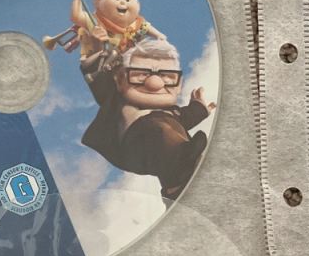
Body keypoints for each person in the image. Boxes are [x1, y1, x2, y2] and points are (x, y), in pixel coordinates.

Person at [81, 37, 214, 199]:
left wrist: (199, 108)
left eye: (167, 76)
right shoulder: (118, 100)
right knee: (160, 130)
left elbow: (184, 118)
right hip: (134, 147)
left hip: (173, 163)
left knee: (170, 129)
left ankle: (175, 188)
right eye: (142, 74)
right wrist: (95, 49)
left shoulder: (171, 114)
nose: (155, 83)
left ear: (179, 85)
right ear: (121, 80)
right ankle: (181, 167)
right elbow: (98, 75)